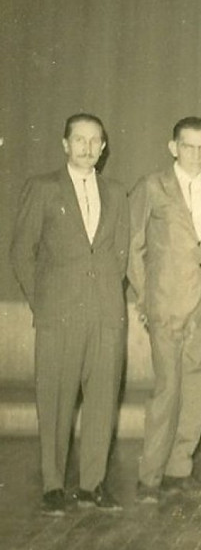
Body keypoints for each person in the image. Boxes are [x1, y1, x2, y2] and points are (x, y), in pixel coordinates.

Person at [10, 113, 129, 515]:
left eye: (95, 141)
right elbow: (21, 253)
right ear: (65, 144)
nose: (88, 147)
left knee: (102, 402)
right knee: (56, 400)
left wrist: (110, 303)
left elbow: (120, 254)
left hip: (105, 316)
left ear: (104, 146)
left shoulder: (115, 192)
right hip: (58, 316)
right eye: (79, 140)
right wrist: (43, 303)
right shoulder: (43, 188)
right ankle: (53, 485)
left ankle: (93, 484)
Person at [128, 117, 201, 503]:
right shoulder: (152, 187)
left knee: (199, 389)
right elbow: (133, 249)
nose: (197, 154)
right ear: (173, 148)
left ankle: (178, 469)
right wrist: (146, 297)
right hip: (167, 306)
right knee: (167, 391)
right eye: (189, 146)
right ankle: (149, 476)